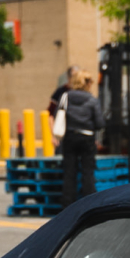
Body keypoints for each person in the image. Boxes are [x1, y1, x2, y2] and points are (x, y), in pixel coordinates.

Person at [51, 70, 104, 208]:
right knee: (88, 172)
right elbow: (99, 123)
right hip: (87, 138)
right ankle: (89, 204)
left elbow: (58, 115)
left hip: (70, 137)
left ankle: (68, 204)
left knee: (69, 172)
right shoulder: (92, 100)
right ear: (86, 83)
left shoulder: (66, 97)